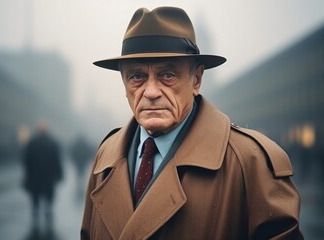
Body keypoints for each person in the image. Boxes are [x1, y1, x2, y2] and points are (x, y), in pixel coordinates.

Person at [81, 7, 303, 239]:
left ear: (196, 80)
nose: (151, 92)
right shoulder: (105, 157)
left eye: (167, 75)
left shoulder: (251, 162)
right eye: (137, 76)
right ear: (124, 83)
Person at [23, 121, 62, 228]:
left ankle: (36, 210)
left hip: (35, 174)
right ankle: (48, 208)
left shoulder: (32, 142)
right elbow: (56, 159)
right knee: (49, 192)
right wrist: (59, 173)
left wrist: (27, 173)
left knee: (35, 193)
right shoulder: (52, 142)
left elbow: (26, 159)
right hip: (48, 175)